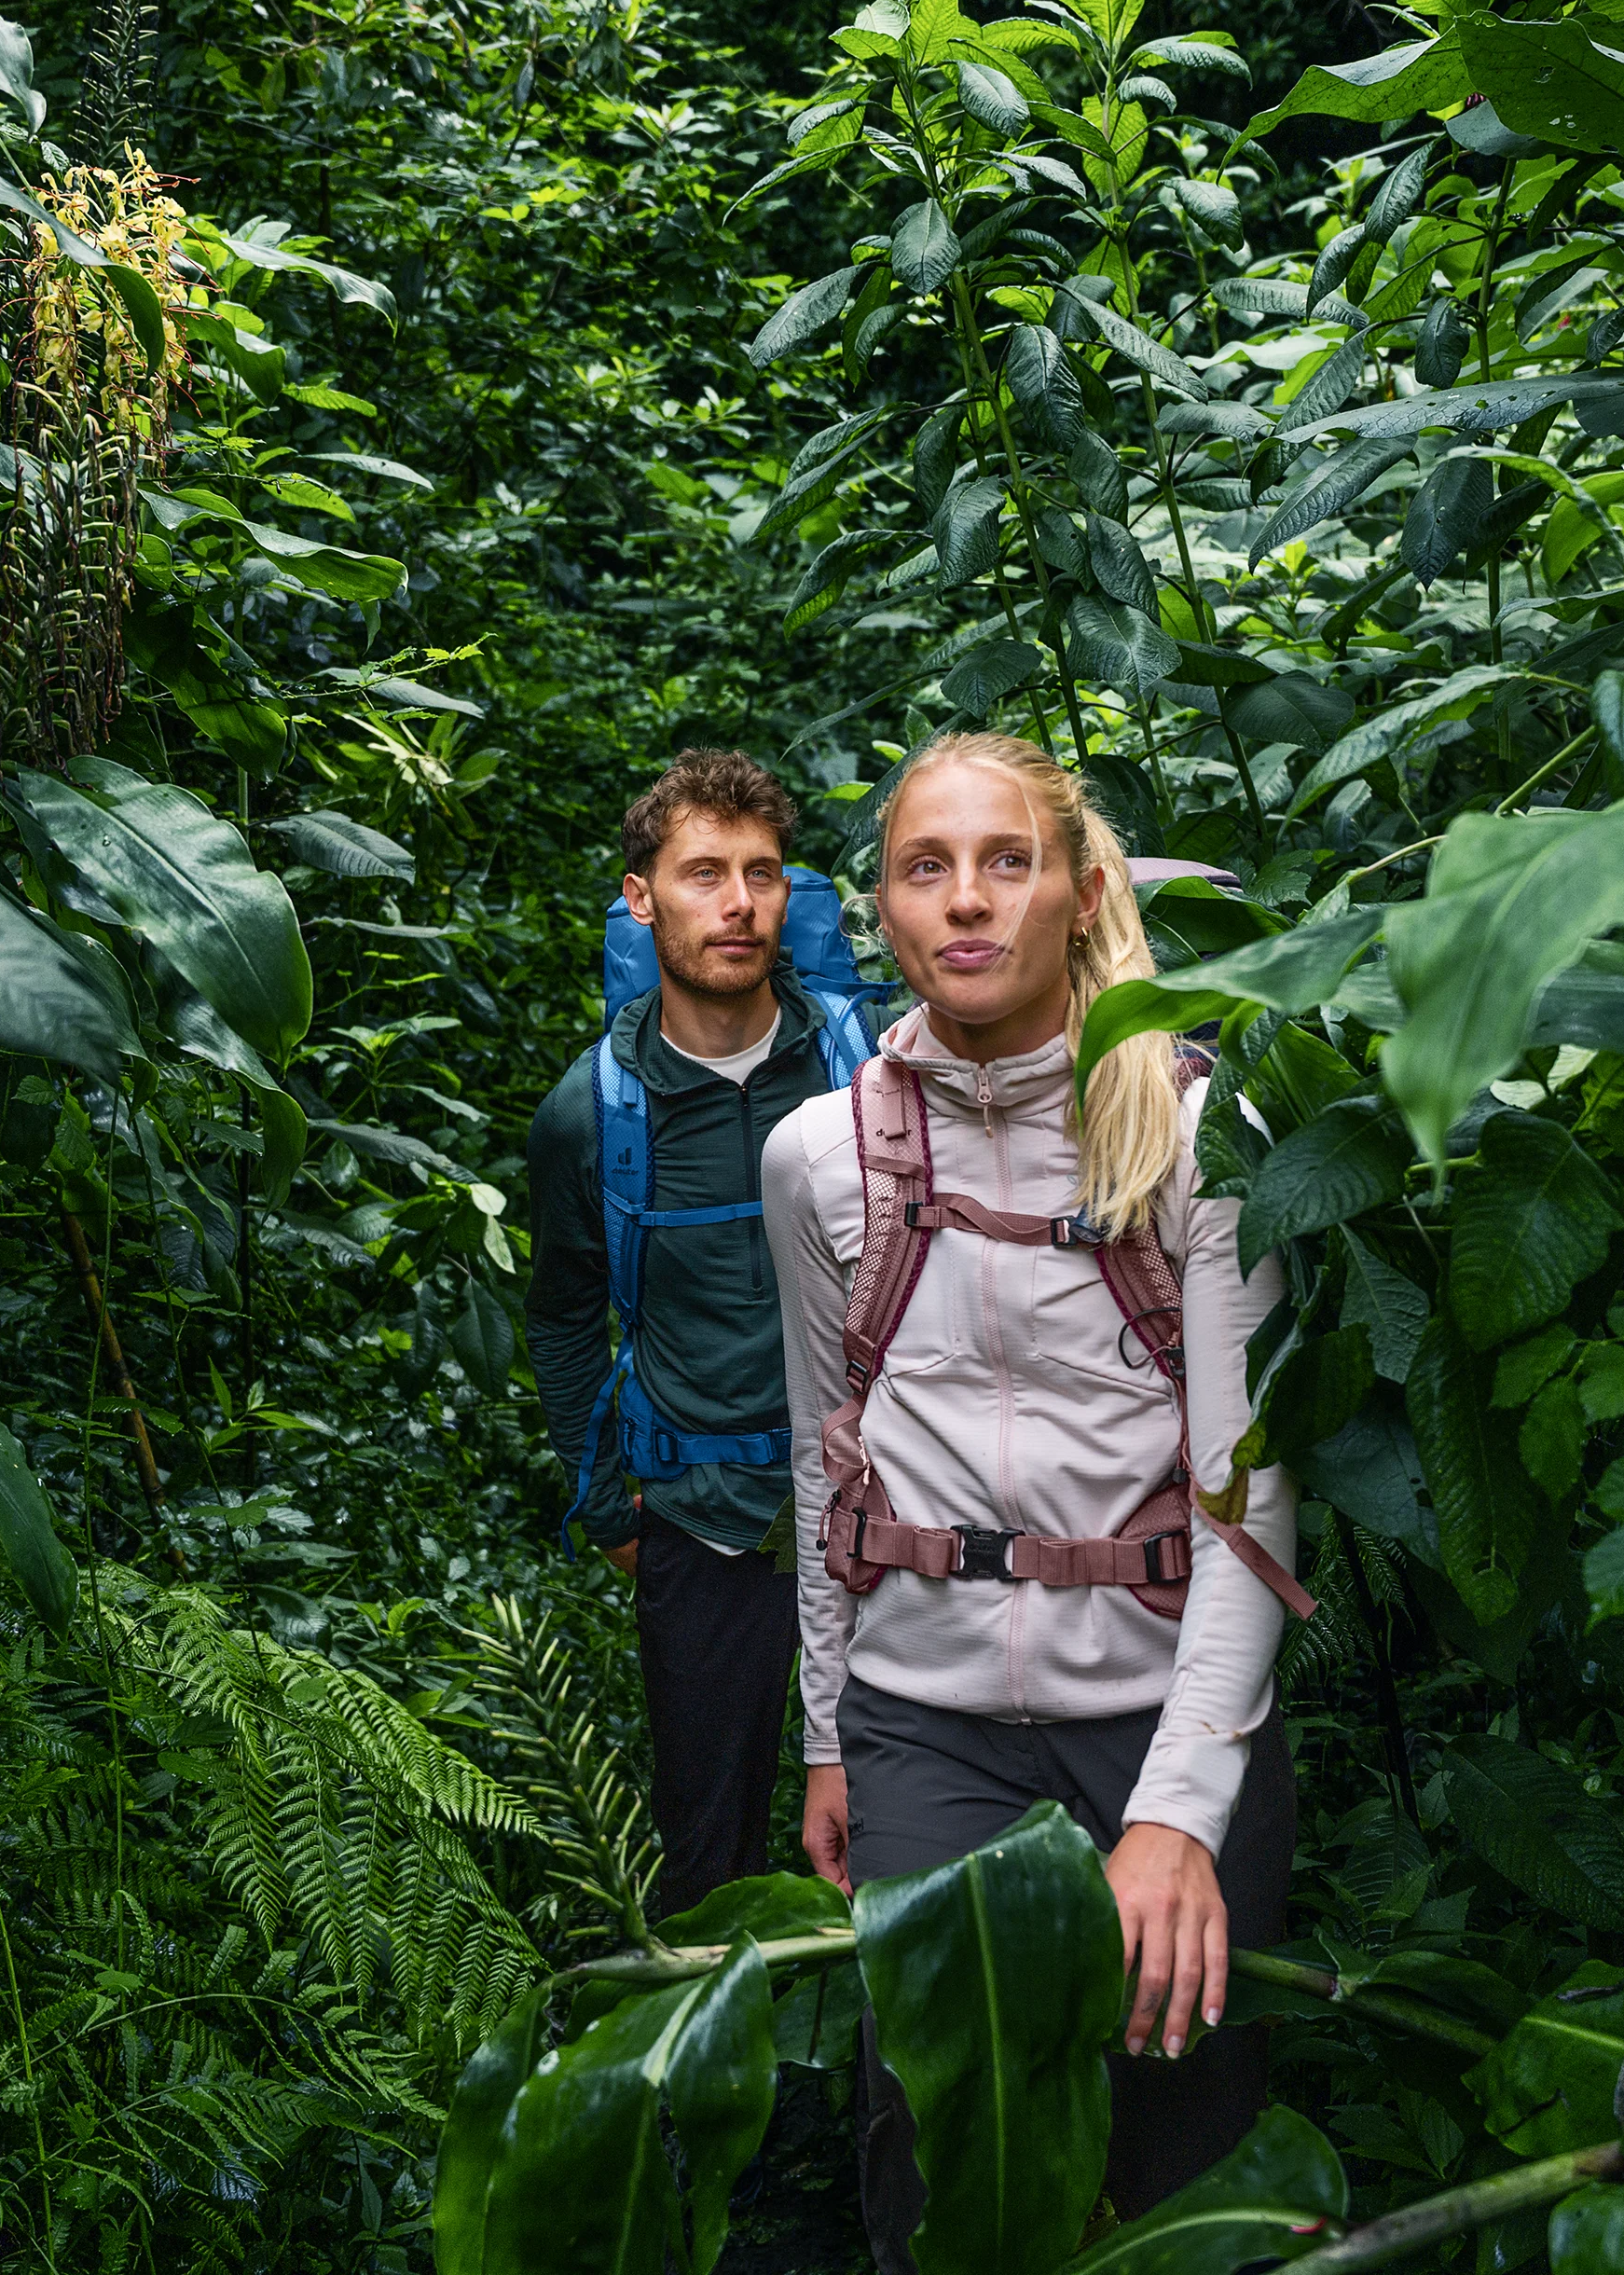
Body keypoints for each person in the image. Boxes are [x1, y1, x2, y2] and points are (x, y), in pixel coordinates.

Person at [761, 730, 1305, 2261]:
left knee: (1183, 2166)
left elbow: (1248, 1507)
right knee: (947, 2162)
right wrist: (824, 1727)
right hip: (921, 1720)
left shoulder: (1194, 1135)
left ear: (1078, 888)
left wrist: (1180, 1817)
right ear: (879, 904)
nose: (968, 899)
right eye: (925, 866)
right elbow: (826, 1454)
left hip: (1161, 1715)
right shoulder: (819, 1156)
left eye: (1008, 858)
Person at [524, 750, 866, 1923]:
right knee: (708, 1856)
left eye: (761, 873)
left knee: (897, 1831)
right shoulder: (589, 1113)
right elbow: (565, 1316)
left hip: (881, 1510)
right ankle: (729, 2093)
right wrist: (609, 1503)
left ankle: (882, 2087)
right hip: (701, 1522)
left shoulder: (865, 1077)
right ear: (640, 896)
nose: (738, 904)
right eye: (703, 873)